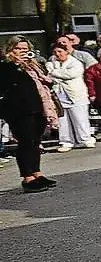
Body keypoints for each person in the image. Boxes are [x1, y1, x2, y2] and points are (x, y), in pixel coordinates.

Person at [0, 36, 58, 193]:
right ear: (11, 49)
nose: (23, 52)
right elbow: (4, 83)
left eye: (25, 49)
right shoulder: (6, 65)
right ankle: (27, 177)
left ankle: (37, 173)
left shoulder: (32, 65)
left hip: (37, 107)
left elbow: (47, 80)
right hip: (18, 109)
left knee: (35, 141)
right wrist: (16, 64)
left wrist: (33, 64)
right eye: (19, 49)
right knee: (25, 142)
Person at [47, 42, 96, 150]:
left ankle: (85, 139)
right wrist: (57, 74)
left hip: (76, 95)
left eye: (60, 51)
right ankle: (66, 142)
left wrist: (55, 73)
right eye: (55, 52)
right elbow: (48, 74)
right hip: (59, 95)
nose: (58, 54)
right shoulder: (51, 63)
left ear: (66, 51)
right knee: (63, 120)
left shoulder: (75, 62)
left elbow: (71, 74)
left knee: (80, 119)